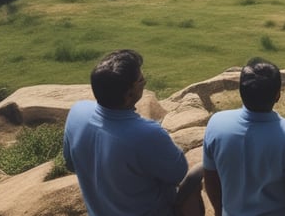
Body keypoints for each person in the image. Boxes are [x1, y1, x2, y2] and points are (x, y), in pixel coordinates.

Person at [63, 49, 203, 216]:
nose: (144, 82)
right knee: (196, 177)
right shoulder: (147, 133)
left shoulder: (77, 111)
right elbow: (179, 173)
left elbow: (71, 164)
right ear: (128, 94)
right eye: (141, 80)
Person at [202, 57, 285, 216]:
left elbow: (210, 178)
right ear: (277, 95)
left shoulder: (216, 124)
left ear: (240, 91)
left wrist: (219, 211)